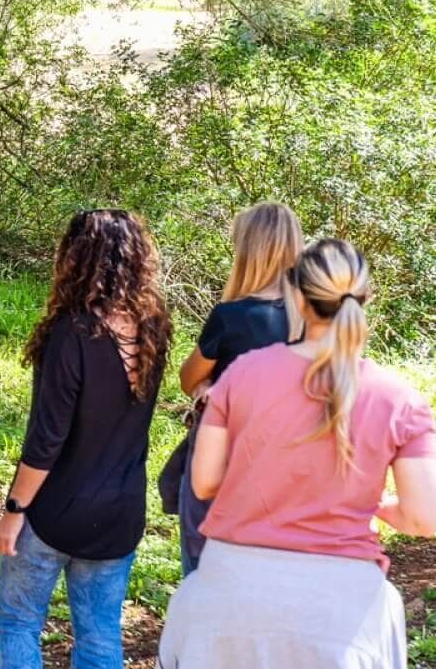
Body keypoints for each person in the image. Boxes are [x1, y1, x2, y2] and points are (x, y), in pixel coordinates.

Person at [158, 239, 436, 668]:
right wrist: (372, 504)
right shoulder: (399, 398)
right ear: (365, 300)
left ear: (297, 298)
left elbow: (204, 481)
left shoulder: (242, 374)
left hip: (230, 590)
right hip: (346, 606)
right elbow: (423, 517)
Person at [0, 209, 172, 669]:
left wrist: (13, 512)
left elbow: (47, 439)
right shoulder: (154, 330)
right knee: (99, 636)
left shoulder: (71, 333)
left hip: (54, 511)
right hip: (120, 510)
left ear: (74, 258)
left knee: (18, 624)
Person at [170, 202, 302, 575]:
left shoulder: (230, 317)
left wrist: (208, 384)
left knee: (204, 560)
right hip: (294, 455)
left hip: (225, 451)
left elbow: (187, 378)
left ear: (248, 250)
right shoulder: (315, 318)